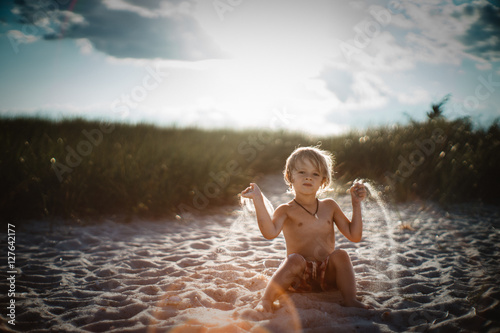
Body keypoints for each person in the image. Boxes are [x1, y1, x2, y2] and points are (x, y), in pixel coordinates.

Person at [241, 146, 370, 311]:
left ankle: (350, 299)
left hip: (328, 276)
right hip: (299, 277)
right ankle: (267, 299)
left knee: (341, 255)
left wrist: (356, 204)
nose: (308, 178)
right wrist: (257, 199)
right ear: (290, 177)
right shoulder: (286, 210)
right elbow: (269, 233)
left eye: (315, 174)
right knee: (294, 260)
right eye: (302, 172)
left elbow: (354, 236)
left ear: (323, 181)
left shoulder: (330, 206)